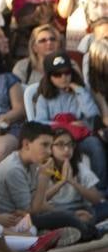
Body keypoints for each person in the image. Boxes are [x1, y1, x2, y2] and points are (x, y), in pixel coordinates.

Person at [0, 122, 93, 243]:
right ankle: (91, 234)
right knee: (66, 218)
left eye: (50, 146)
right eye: (44, 145)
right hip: (14, 223)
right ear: (26, 144)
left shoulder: (32, 163)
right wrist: (43, 178)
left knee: (79, 214)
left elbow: (40, 203)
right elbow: (33, 210)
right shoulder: (13, 169)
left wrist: (72, 213)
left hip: (27, 216)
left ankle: (58, 234)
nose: (49, 152)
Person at [28, 53, 107, 183]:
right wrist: (67, 126)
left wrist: (79, 90)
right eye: (57, 75)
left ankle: (100, 189)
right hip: (56, 140)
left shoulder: (80, 91)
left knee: (95, 144)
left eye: (67, 73)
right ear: (49, 77)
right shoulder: (44, 97)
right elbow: (39, 122)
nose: (63, 77)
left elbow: (92, 114)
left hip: (79, 138)